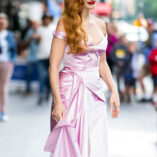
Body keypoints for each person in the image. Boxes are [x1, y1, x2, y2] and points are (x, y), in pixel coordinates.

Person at [44, 0, 120, 156]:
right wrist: (58, 102)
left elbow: (102, 64)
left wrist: (114, 90)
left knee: (96, 140)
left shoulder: (101, 24)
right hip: (70, 91)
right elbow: (53, 66)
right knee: (69, 145)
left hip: (95, 91)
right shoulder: (65, 22)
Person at [0, 13, 17, 122]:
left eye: (2, 20)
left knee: (3, 88)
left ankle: (3, 111)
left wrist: (11, 61)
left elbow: (14, 50)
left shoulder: (9, 35)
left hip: (6, 63)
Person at [36, 13, 56, 105]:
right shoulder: (39, 29)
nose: (46, 20)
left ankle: (48, 93)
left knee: (49, 77)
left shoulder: (53, 28)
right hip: (41, 56)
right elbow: (37, 43)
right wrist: (37, 39)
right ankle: (40, 95)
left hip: (50, 57)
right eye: (45, 18)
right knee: (41, 76)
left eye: (48, 18)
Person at [22, 20, 39, 96]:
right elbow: (24, 43)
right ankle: (28, 89)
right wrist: (30, 38)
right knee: (28, 73)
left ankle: (42, 90)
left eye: (36, 24)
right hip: (31, 56)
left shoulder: (42, 30)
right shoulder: (30, 31)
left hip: (40, 57)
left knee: (42, 75)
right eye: (33, 24)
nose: (35, 25)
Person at [138, 20, 154, 102]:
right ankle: (146, 95)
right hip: (147, 61)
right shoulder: (148, 35)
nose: (149, 27)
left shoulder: (154, 36)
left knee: (153, 80)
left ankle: (152, 96)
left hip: (152, 62)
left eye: (150, 26)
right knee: (140, 78)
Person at [149, 39, 157, 107]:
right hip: (155, 72)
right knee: (155, 86)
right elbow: (150, 59)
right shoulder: (154, 51)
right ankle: (154, 99)